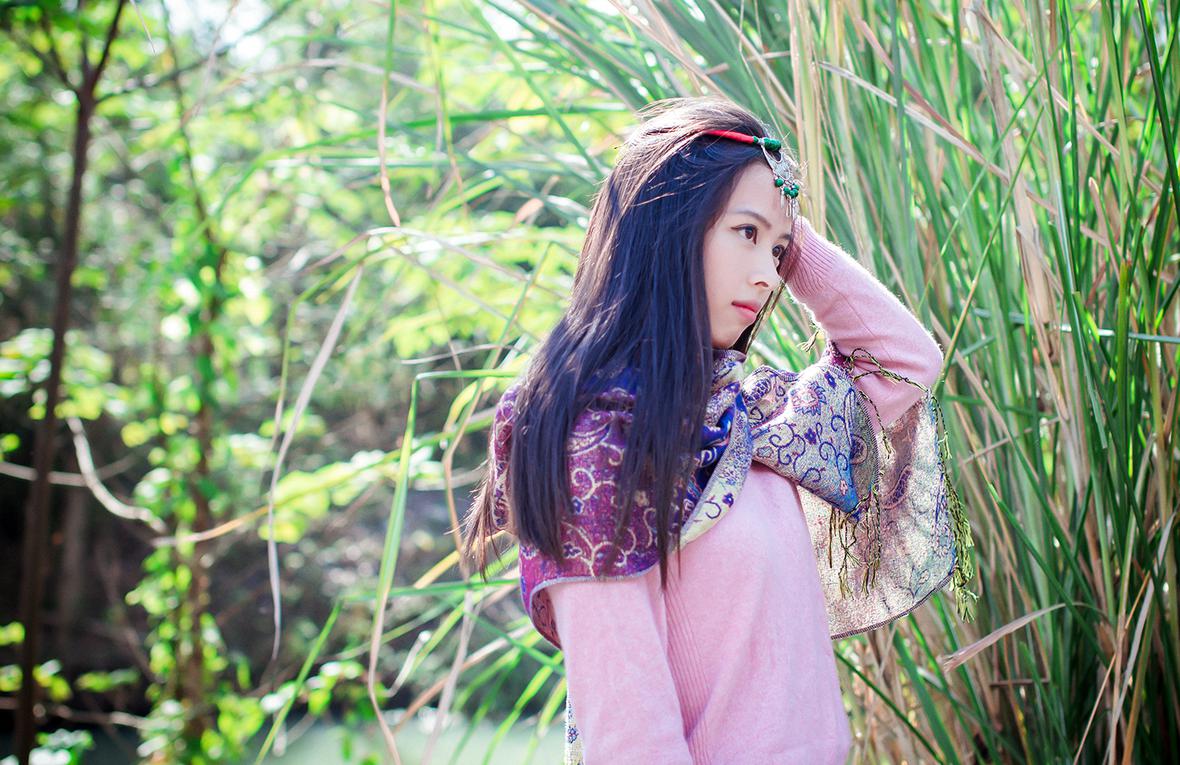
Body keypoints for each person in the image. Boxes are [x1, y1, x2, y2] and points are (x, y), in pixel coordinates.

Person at [461, 96, 976, 764]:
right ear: (668, 224)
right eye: (745, 234)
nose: (767, 275)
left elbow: (905, 361)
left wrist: (784, 223)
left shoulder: (762, 425)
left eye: (778, 252)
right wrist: (764, 205)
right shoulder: (598, 442)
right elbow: (629, 739)